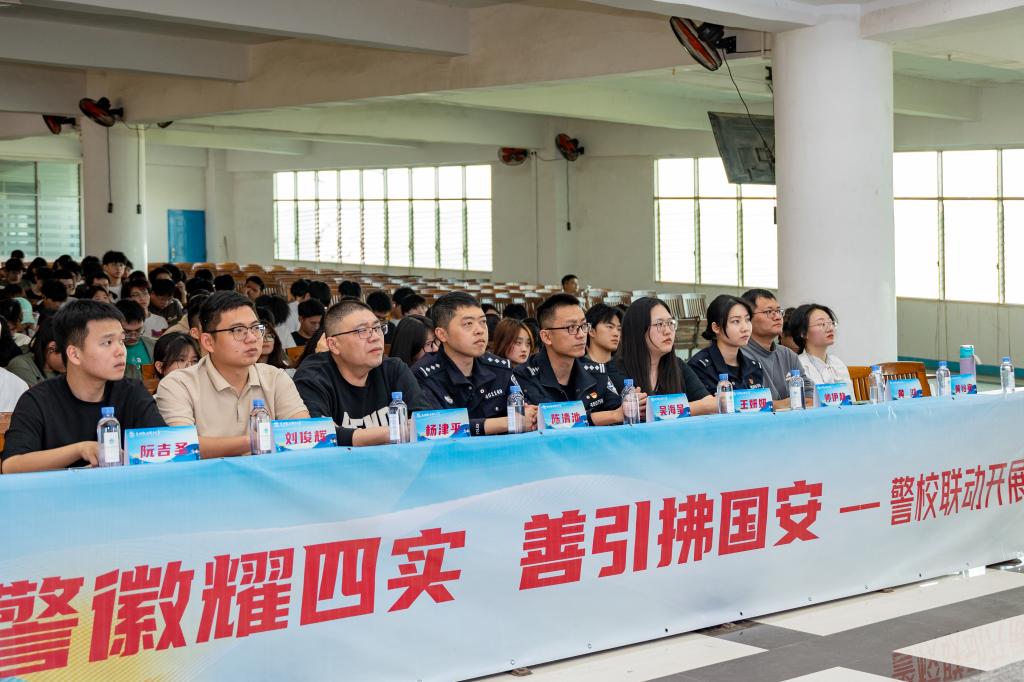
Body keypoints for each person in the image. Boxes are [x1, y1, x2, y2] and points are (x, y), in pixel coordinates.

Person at [0, 300, 166, 473]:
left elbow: (166, 446)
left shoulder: (132, 392)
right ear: (74, 354)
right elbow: (12, 465)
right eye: (107, 342)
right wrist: (80, 449)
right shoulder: (38, 400)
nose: (121, 351)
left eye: (121, 341)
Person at [155, 291, 309, 458]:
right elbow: (183, 446)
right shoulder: (177, 384)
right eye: (238, 330)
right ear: (208, 342)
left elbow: (303, 432)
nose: (252, 338)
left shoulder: (276, 378)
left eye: (255, 328)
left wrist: (262, 440)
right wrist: (256, 441)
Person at [293, 298, 432, 446]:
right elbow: (319, 434)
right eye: (362, 331)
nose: (376, 337)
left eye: (377, 328)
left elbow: (424, 422)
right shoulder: (312, 378)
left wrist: (350, 436)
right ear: (333, 345)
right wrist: (394, 432)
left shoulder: (393, 369)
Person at [413, 293, 537, 436]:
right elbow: (432, 427)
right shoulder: (424, 375)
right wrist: (505, 423)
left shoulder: (499, 368)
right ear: (442, 334)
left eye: (483, 322)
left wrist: (528, 414)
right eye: (468, 324)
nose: (480, 330)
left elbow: (524, 411)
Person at [513, 294, 626, 425]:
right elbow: (543, 419)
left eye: (583, 325)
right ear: (546, 337)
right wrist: (608, 416)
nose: (581, 334)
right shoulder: (524, 376)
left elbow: (617, 411)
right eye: (571, 327)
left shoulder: (596, 371)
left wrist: (633, 404)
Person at [615, 297, 716, 415]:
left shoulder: (677, 365)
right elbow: (643, 414)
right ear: (637, 330)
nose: (668, 331)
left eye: (670, 323)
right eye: (659, 324)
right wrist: (689, 408)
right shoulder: (616, 369)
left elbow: (711, 404)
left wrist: (665, 409)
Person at [688, 294, 766, 395]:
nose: (745, 328)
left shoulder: (754, 367)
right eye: (736, 321)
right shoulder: (699, 367)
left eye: (747, 320)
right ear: (716, 327)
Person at [741, 289, 804, 401]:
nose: (778, 317)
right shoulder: (739, 355)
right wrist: (789, 403)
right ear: (747, 318)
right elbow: (748, 402)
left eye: (779, 311)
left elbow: (809, 395)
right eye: (769, 312)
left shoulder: (788, 354)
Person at [790, 303, 853, 393]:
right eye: (821, 324)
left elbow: (851, 398)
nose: (830, 328)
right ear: (803, 333)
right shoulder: (798, 367)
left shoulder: (838, 363)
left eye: (830, 323)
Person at [6, 320, 64, 386]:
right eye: (69, 354)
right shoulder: (22, 365)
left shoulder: (63, 371)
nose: (72, 360)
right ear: (52, 348)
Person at [115, 300, 157, 380]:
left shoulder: (154, 346)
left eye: (138, 330)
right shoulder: (109, 352)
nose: (133, 337)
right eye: (127, 332)